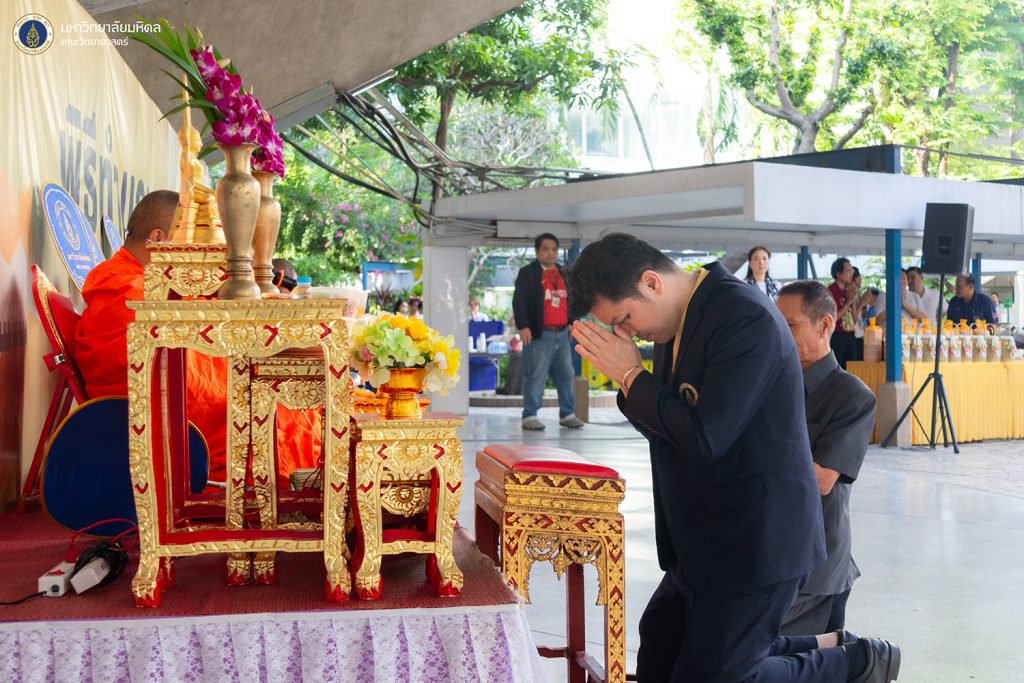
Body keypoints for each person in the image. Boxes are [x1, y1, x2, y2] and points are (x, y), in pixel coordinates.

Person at [567, 233, 899, 683]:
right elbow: (671, 429)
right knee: (661, 653)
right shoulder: (677, 320)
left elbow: (706, 437)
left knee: (718, 675)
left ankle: (857, 663)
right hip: (703, 536)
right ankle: (829, 645)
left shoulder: (742, 315)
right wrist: (631, 382)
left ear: (651, 282)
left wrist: (631, 374)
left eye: (624, 319)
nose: (630, 333)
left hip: (756, 538)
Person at [75, 191, 320, 487]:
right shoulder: (123, 286)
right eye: (188, 242)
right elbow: (174, 373)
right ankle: (296, 489)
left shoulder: (150, 280)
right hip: (166, 410)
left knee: (286, 394)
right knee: (277, 407)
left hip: (185, 391)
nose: (195, 253)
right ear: (157, 239)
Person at [776, 281, 876, 637]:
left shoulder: (851, 396)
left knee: (808, 660)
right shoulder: (771, 385)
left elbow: (821, 479)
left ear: (825, 325)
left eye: (790, 325)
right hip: (769, 555)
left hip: (817, 570)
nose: (781, 335)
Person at [512, 233, 584, 430]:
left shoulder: (564, 273)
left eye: (554, 249)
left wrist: (572, 322)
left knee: (566, 374)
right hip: (539, 334)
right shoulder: (528, 273)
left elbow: (573, 300)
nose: (550, 253)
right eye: (545, 249)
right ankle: (530, 416)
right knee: (535, 375)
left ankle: (567, 414)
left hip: (562, 333)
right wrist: (523, 326)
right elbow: (519, 301)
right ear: (537, 252)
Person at [828, 258, 859, 369]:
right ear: (838, 274)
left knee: (852, 368)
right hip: (837, 335)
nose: (851, 274)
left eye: (852, 271)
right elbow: (833, 317)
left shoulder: (848, 291)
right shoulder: (830, 291)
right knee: (838, 368)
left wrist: (853, 300)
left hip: (850, 334)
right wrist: (849, 302)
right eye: (848, 271)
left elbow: (855, 319)